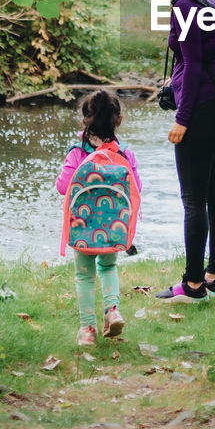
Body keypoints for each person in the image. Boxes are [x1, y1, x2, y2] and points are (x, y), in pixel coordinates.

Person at [140, 0, 215, 303]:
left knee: (194, 201)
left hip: (202, 111)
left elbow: (196, 64)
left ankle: (193, 285)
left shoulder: (184, 6)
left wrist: (182, 119)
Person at [56, 89, 142, 345]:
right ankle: (112, 311)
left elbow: (63, 187)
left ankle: (87, 330)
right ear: (119, 120)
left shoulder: (76, 153)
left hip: (82, 227)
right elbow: (135, 188)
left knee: (84, 276)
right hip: (113, 226)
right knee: (108, 267)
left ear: (85, 120)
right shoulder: (125, 154)